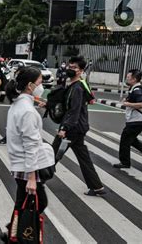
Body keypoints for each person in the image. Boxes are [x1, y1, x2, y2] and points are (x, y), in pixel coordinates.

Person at [0, 66, 54, 242]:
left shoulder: (18, 105)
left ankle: (12, 233)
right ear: (30, 85)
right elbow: (30, 145)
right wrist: (31, 177)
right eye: (39, 82)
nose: (41, 86)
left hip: (20, 164)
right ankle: (15, 234)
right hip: (27, 166)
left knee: (23, 203)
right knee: (35, 203)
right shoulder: (27, 111)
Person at [52, 56, 106, 196]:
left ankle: (38, 180)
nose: (71, 69)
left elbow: (74, 111)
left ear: (81, 71)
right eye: (70, 66)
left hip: (72, 129)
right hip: (79, 128)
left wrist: (64, 129)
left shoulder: (77, 88)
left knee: (53, 153)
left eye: (75, 68)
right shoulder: (77, 85)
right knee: (83, 157)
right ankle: (96, 186)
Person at [114, 69, 142, 168]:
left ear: (134, 79)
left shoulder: (137, 90)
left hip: (136, 121)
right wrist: (128, 100)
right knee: (132, 140)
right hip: (137, 121)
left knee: (125, 140)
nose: (126, 79)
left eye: (128, 77)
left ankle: (125, 162)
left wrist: (127, 103)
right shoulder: (135, 88)